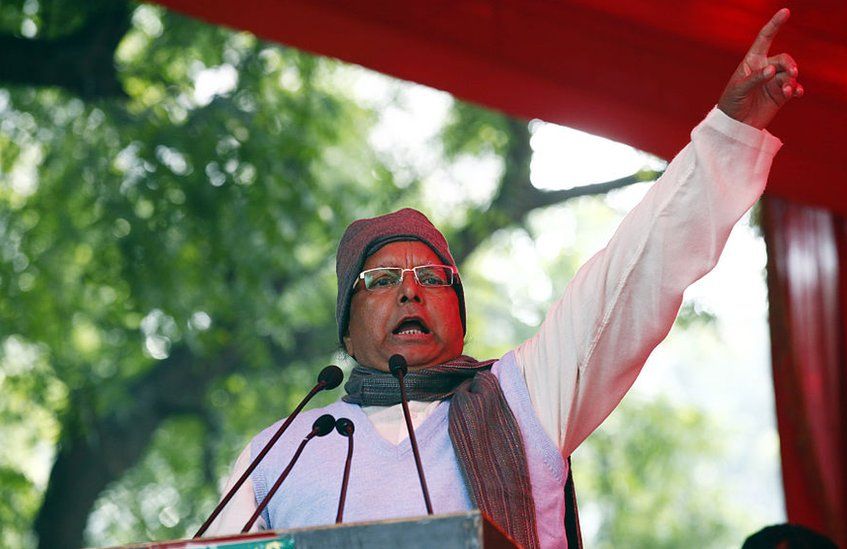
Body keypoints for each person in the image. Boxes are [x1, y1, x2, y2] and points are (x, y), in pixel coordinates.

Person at [204, 8, 803, 548]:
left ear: (461, 316)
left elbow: (635, 272)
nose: (410, 290)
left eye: (432, 278)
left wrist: (729, 132)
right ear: (347, 328)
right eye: (382, 280)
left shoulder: (523, 396)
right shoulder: (284, 449)